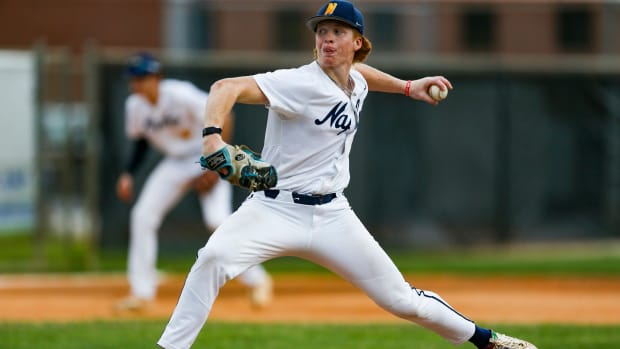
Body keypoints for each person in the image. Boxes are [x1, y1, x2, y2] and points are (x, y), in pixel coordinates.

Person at [157, 1, 538, 348]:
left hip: (332, 216)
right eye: (322, 31)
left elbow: (361, 77)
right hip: (272, 210)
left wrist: (408, 87)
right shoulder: (299, 82)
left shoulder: (354, 80)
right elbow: (226, 87)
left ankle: (488, 341)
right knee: (212, 259)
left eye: (337, 32)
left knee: (402, 300)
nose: (327, 39)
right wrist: (211, 138)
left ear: (357, 42)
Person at [114, 52, 273, 311]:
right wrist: (128, 173)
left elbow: (226, 116)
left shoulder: (179, 94)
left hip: (205, 154)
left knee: (216, 221)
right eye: (133, 79)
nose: (136, 84)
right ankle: (141, 293)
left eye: (141, 78)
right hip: (176, 162)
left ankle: (258, 281)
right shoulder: (135, 106)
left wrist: (214, 165)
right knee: (142, 216)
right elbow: (141, 141)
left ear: (156, 77)